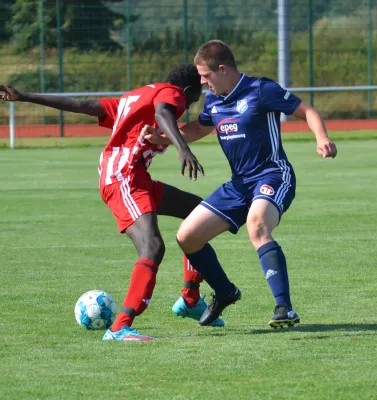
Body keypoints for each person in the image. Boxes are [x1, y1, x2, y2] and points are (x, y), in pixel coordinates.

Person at [0, 63, 224, 342]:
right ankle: (120, 327)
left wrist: (25, 96)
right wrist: (184, 149)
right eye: (200, 87)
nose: (201, 92)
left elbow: (82, 104)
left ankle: (190, 300)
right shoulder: (172, 94)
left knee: (199, 215)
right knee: (152, 246)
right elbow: (163, 112)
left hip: (135, 177)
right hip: (123, 178)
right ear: (186, 89)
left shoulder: (135, 97)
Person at [141, 40, 338, 328]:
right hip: (238, 185)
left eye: (206, 77)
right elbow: (197, 129)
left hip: (272, 175)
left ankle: (284, 307)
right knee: (187, 237)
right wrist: (158, 138)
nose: (203, 84)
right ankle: (224, 292)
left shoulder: (261, 89)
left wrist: (321, 138)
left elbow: (307, 111)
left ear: (222, 70)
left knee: (257, 225)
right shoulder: (214, 100)